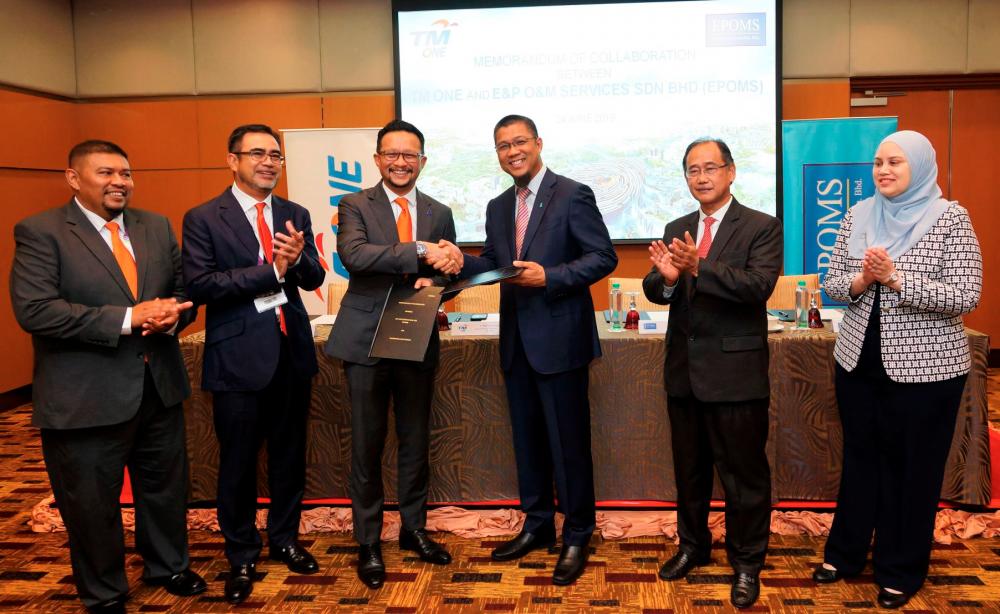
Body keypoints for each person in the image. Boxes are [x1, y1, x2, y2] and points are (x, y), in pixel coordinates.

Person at [9, 140, 206, 613]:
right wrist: (129, 318)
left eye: (126, 173)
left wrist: (172, 316)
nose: (120, 182)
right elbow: (36, 311)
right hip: (85, 397)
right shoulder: (43, 232)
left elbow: (182, 293)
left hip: (157, 385)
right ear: (73, 178)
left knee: (163, 490)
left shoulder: (154, 226)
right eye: (105, 173)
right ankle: (105, 591)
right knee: (92, 504)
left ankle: (168, 565)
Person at [812, 130, 982, 609]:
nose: (883, 170)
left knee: (913, 469)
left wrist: (897, 278)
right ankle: (845, 555)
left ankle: (900, 569)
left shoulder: (950, 218)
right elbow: (832, 285)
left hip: (928, 372)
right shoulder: (858, 214)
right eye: (878, 162)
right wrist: (864, 278)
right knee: (861, 461)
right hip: (858, 362)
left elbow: (966, 296)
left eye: (896, 163)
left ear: (921, 167)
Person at [460, 114, 617, 585]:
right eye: (503, 145)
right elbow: (492, 263)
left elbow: (602, 257)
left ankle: (577, 534)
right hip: (516, 344)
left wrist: (551, 277)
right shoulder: (496, 205)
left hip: (561, 341)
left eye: (520, 142)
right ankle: (537, 526)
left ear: (538, 143)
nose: (513, 151)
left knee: (568, 445)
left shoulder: (573, 194)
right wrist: (455, 263)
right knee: (528, 443)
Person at [181, 124, 325, 604]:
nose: (269, 162)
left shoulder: (294, 212)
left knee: (289, 457)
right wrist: (271, 271)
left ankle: (284, 538)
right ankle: (241, 550)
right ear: (233, 160)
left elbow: (314, 277)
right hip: (237, 359)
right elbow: (202, 286)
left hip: (290, 354)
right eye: (258, 153)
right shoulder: (204, 217)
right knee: (238, 463)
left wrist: (299, 260)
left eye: (276, 155)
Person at [642, 137, 782, 609]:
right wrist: (665, 278)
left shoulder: (761, 226)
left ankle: (747, 563)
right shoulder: (678, 225)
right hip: (683, 373)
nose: (701, 177)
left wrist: (699, 266)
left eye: (710, 168)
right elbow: (658, 288)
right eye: (692, 170)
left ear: (731, 172)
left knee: (743, 476)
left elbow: (758, 287)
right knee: (690, 472)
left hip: (736, 374)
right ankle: (692, 547)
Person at [324, 119, 461, 589]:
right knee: (365, 443)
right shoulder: (353, 203)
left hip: (416, 337)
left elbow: (450, 270)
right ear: (378, 159)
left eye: (411, 155)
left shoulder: (440, 210)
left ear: (422, 161)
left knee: (415, 440)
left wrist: (439, 281)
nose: (401, 162)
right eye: (392, 154)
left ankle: (413, 529)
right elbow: (356, 257)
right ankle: (368, 541)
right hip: (364, 340)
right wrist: (421, 250)